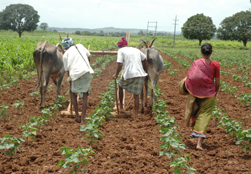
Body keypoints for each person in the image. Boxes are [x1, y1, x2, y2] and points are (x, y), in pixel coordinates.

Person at [185, 43, 220, 151]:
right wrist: (216, 91)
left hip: (195, 92)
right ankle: (199, 143)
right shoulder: (215, 65)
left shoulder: (196, 63)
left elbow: (190, 77)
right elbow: (217, 82)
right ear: (211, 52)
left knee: (195, 112)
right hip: (209, 94)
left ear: (201, 52)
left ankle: (198, 137)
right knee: (204, 115)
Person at [113, 36, 147, 120]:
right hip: (139, 74)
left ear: (120, 46)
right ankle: (136, 116)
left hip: (128, 73)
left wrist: (116, 74)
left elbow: (120, 64)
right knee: (136, 95)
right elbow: (145, 59)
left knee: (120, 86)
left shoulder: (120, 50)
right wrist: (143, 70)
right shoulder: (136, 49)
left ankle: (121, 107)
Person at [62, 37, 94, 123]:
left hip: (74, 74)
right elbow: (89, 58)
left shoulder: (65, 55)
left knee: (73, 94)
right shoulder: (80, 46)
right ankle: (83, 118)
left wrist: (70, 82)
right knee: (85, 95)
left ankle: (77, 116)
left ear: (64, 47)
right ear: (72, 43)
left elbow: (67, 70)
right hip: (85, 72)